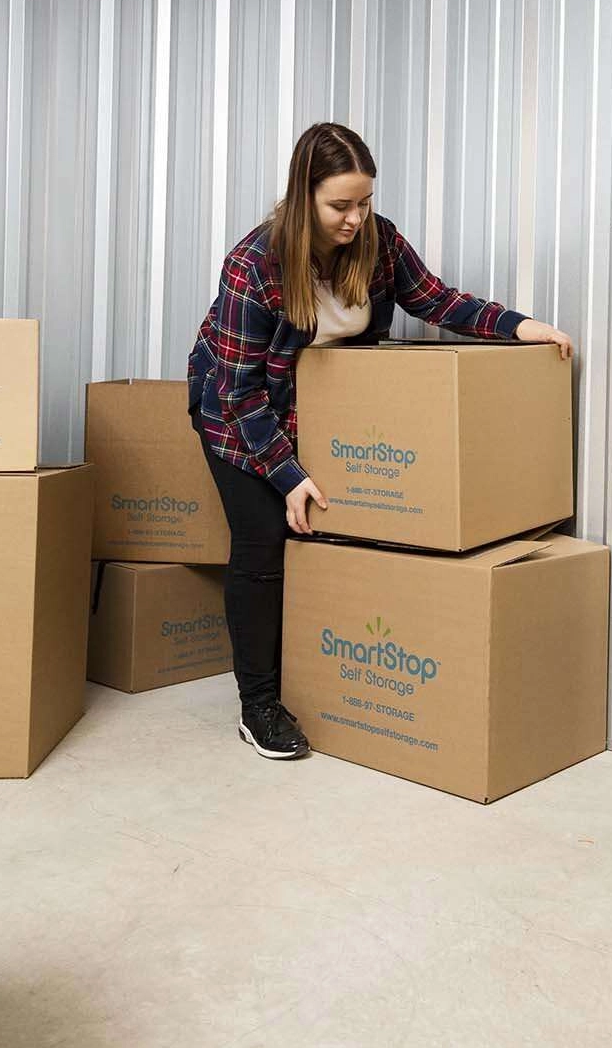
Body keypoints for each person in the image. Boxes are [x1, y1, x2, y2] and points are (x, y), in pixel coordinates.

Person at [187, 122, 575, 759]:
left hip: (321, 410)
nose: (354, 218)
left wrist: (522, 326)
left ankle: (317, 674)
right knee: (263, 543)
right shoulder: (255, 263)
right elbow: (238, 390)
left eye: (364, 202)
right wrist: (286, 475)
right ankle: (258, 704)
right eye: (340, 205)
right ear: (304, 195)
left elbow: (438, 301)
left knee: (331, 532)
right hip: (237, 415)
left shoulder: (379, 241)